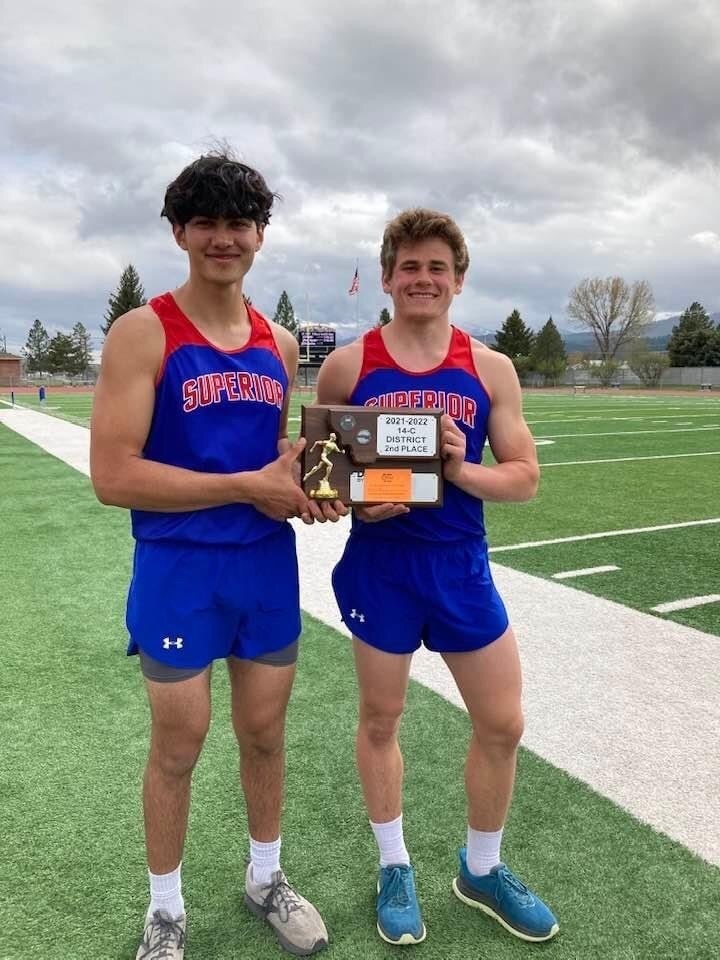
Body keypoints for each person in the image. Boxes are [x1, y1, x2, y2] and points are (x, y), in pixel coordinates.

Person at [90, 152, 330, 960]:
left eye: (239, 223)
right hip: (180, 568)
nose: (224, 238)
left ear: (260, 234)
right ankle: (165, 908)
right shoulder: (144, 331)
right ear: (179, 232)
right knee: (179, 741)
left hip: (263, 568)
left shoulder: (282, 342)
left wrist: (311, 483)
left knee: (265, 732)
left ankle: (266, 877)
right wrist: (246, 487)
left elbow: (269, 463)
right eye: (207, 223)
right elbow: (113, 474)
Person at [314, 208, 559, 946]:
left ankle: (481, 868)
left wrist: (459, 467)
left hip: (459, 565)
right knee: (382, 718)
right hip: (380, 566)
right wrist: (353, 497)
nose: (423, 279)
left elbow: (523, 479)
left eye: (437, 268)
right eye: (409, 267)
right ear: (387, 277)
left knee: (503, 723)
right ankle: (395, 865)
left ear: (458, 280)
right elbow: (319, 478)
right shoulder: (349, 365)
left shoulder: (489, 368)